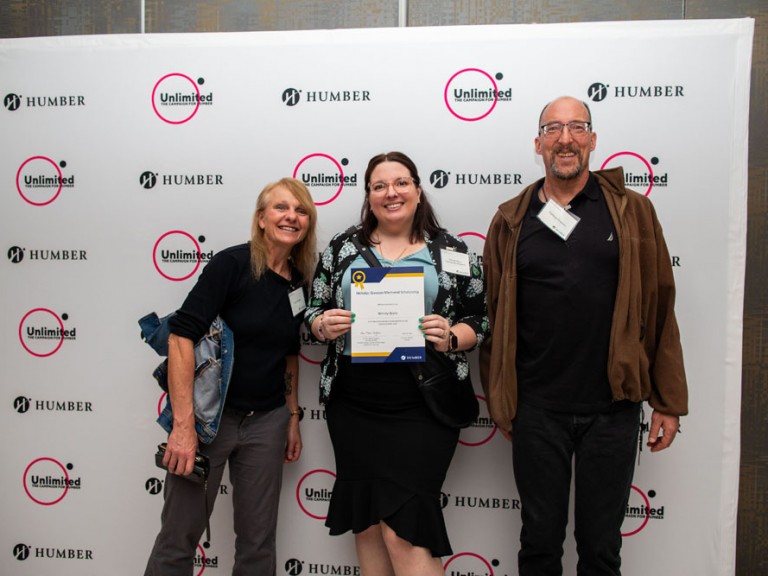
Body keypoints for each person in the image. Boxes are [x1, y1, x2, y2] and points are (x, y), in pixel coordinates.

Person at [480, 96, 689, 576]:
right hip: (537, 409)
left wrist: (668, 399)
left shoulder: (632, 212)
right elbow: (493, 318)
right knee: (538, 545)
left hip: (613, 410)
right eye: (553, 128)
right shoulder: (511, 220)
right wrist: (501, 397)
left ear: (593, 141)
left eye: (577, 127)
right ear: (538, 144)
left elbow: (659, 304)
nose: (565, 138)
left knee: (600, 550)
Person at [305, 151, 489, 576]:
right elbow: (311, 310)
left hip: (423, 405)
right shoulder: (341, 249)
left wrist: (451, 336)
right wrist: (321, 325)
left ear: (418, 190)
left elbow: (481, 320)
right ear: (368, 196)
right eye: (379, 185)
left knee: (404, 532)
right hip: (353, 404)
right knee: (368, 524)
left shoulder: (454, 251)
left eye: (401, 182)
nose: (392, 193)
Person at [144, 177, 317, 576]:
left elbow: (290, 353)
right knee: (177, 540)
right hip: (210, 423)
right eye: (281, 208)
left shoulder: (299, 281)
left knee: (258, 546)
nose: (291, 216)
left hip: (268, 423)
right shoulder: (232, 264)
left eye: (301, 210)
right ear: (260, 218)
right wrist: (184, 427)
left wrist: (292, 418)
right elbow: (181, 337)